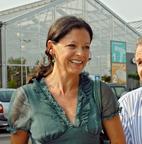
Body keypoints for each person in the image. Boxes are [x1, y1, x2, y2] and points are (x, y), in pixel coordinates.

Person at [8, 15, 126, 144]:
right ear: (51, 48)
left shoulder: (100, 92)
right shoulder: (26, 96)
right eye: (72, 45)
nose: (81, 53)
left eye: (86, 47)